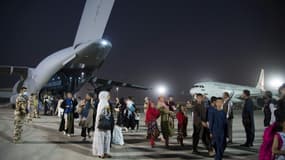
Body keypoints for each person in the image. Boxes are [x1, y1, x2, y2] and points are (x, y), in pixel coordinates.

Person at [92, 91, 112, 159]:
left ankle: (106, 152)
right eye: (108, 95)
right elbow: (99, 115)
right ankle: (100, 153)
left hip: (107, 123)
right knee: (101, 139)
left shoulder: (107, 103)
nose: (109, 96)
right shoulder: (101, 103)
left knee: (107, 138)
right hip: (102, 123)